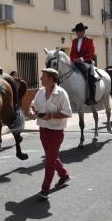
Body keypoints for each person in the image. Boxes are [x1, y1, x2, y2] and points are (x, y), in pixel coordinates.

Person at [27, 68, 72, 200]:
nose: (41, 78)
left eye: (44, 76)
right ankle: (63, 175)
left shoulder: (61, 93)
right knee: (50, 157)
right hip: (43, 129)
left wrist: (51, 115)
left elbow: (68, 112)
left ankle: (45, 189)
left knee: (49, 160)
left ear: (51, 79)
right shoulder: (40, 92)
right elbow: (33, 105)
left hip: (56, 132)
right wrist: (30, 111)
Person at [69, 22, 96, 104]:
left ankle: (91, 97)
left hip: (86, 62)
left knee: (90, 77)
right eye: (76, 32)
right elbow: (72, 53)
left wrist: (81, 59)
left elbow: (91, 53)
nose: (77, 33)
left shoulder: (89, 40)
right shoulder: (74, 41)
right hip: (76, 63)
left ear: (83, 32)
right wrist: (74, 59)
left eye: (79, 31)